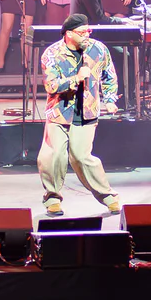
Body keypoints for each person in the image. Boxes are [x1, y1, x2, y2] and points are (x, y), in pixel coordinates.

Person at [37, 14, 122, 217]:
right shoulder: (52, 54)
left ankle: (108, 196)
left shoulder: (98, 49)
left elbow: (109, 74)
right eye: (82, 32)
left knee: (81, 157)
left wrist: (110, 100)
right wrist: (75, 79)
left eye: (88, 31)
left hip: (87, 111)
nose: (86, 35)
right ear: (68, 34)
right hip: (59, 111)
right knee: (54, 154)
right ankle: (53, 198)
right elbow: (51, 85)